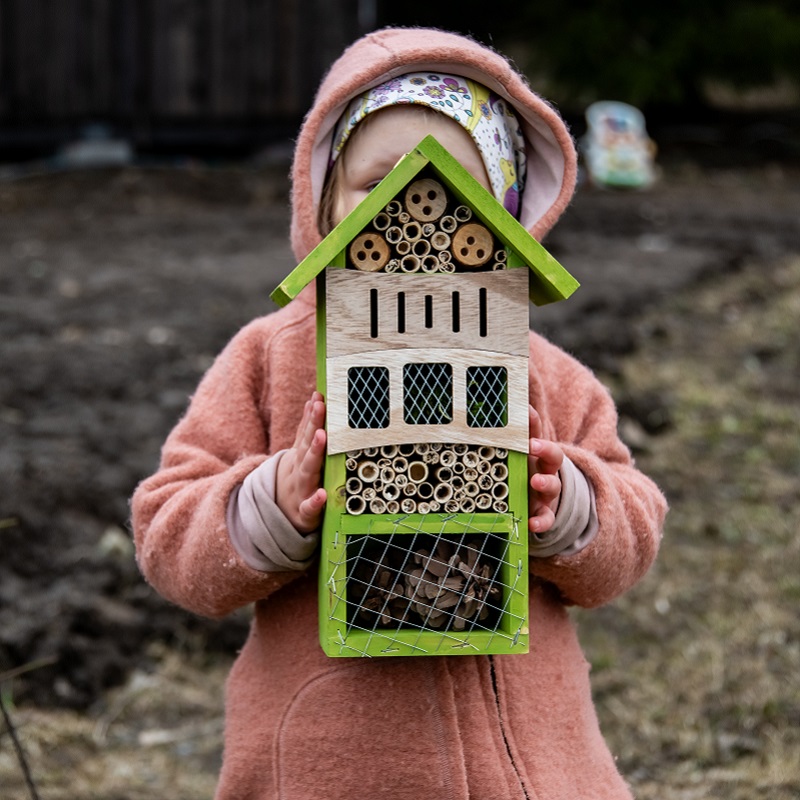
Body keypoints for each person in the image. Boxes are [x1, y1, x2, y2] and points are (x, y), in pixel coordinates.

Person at [131, 27, 667, 800]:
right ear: (323, 200)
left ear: (508, 219)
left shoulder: (545, 374)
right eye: (379, 185)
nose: (417, 217)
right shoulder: (269, 358)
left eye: (463, 195)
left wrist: (572, 504)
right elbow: (165, 526)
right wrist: (271, 505)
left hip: (534, 772)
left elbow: (634, 517)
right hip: (337, 771)